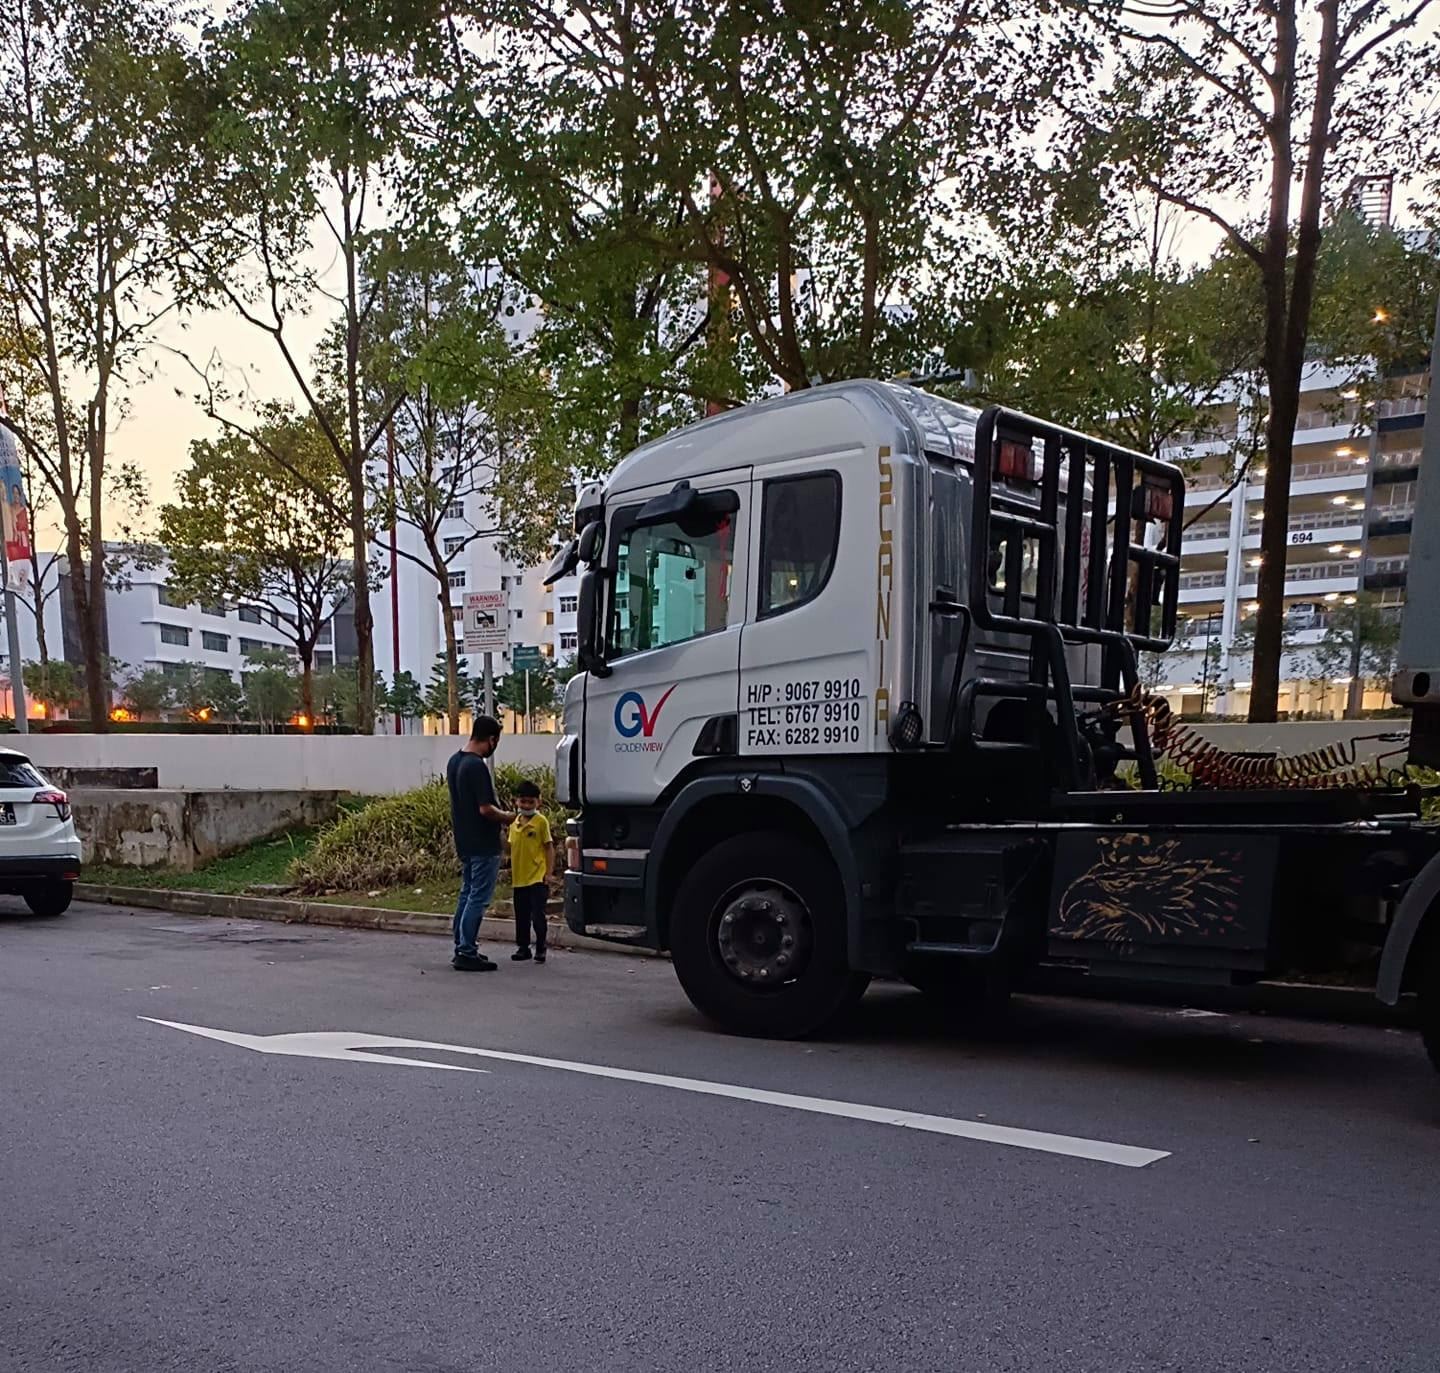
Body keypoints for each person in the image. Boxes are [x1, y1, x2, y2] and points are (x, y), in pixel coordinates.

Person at [447, 715, 514, 972]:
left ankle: (462, 945)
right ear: (491, 739)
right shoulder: (476, 767)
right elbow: (486, 809)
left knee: (467, 893)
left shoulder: (455, 761)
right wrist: (511, 818)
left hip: (464, 839)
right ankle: (466, 951)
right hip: (483, 842)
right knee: (478, 897)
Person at [507, 780, 555, 964]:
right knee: (522, 915)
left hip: (537, 876)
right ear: (516, 802)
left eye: (530, 802)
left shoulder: (540, 822)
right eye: (523, 802)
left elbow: (549, 847)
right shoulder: (514, 822)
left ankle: (541, 947)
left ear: (538, 802)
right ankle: (523, 947)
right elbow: (510, 847)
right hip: (519, 877)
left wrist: (548, 873)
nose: (526, 806)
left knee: (538, 915)